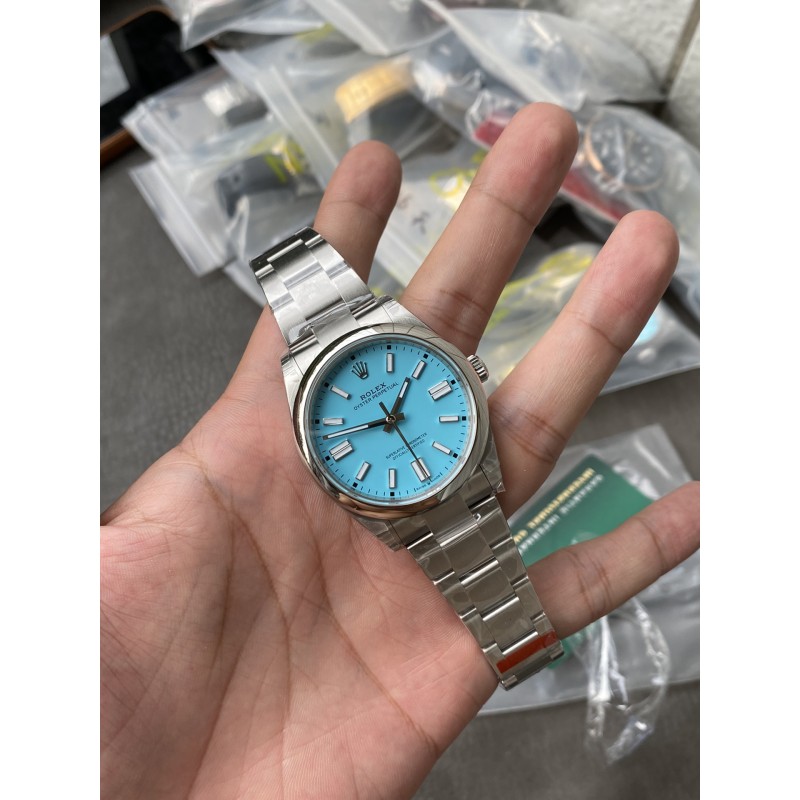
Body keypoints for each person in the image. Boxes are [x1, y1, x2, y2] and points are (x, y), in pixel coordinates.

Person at [101, 103, 699, 799]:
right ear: (322, 458)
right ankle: (514, 642)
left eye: (403, 398)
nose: (389, 416)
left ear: (468, 374)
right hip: (410, 498)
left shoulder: (407, 383)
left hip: (452, 470)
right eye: (371, 424)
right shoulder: (326, 427)